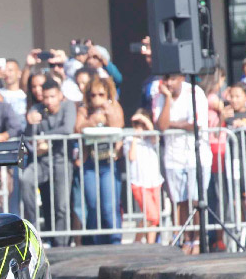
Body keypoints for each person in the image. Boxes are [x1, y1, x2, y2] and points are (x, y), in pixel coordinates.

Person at [155, 72, 211, 254]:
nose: (169, 83)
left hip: (197, 155)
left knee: (196, 199)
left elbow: (196, 124)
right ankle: (186, 239)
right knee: (179, 201)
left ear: (182, 78)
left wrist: (174, 124)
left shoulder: (195, 93)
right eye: (166, 79)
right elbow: (162, 125)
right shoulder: (160, 95)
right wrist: (168, 99)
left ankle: (198, 240)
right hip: (173, 156)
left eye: (173, 78)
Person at [20, 80, 76, 245]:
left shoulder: (68, 106)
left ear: (60, 95)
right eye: (46, 97)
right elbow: (29, 136)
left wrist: (46, 136)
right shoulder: (36, 110)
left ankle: (62, 244)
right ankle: (34, 229)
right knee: (26, 179)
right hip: (42, 161)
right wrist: (31, 123)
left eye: (52, 96)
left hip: (61, 160)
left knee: (62, 206)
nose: (49, 101)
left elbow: (67, 129)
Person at [75, 77, 124, 244]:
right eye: (93, 95)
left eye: (101, 94)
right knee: (93, 206)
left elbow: (119, 125)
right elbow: (78, 128)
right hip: (91, 162)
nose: (97, 99)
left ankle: (115, 240)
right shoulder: (84, 110)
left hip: (109, 162)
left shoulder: (114, 107)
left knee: (109, 207)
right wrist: (92, 121)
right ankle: (96, 242)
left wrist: (107, 110)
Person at [125, 109, 163, 244]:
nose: (140, 127)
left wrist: (146, 122)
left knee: (155, 217)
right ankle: (137, 241)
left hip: (155, 181)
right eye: (137, 123)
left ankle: (150, 244)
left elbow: (155, 138)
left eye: (142, 124)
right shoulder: (129, 138)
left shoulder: (151, 138)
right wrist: (135, 136)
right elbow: (131, 156)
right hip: (140, 182)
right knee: (151, 215)